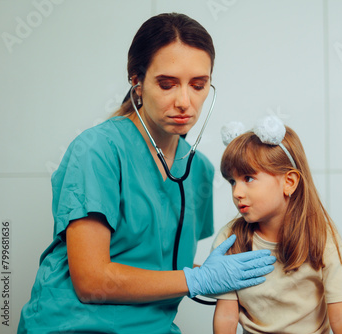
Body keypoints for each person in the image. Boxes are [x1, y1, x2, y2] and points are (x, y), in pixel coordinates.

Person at [18, 13, 275, 334]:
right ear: (136, 82)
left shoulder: (199, 171)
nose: (185, 101)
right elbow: (91, 281)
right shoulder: (97, 150)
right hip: (72, 326)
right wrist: (196, 279)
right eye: (167, 84)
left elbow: (155, 267)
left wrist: (226, 275)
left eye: (198, 85)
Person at [212, 117, 342, 334]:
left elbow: (341, 318)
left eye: (248, 178)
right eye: (232, 181)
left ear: (288, 182)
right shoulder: (229, 240)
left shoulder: (322, 237)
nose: (236, 193)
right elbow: (226, 315)